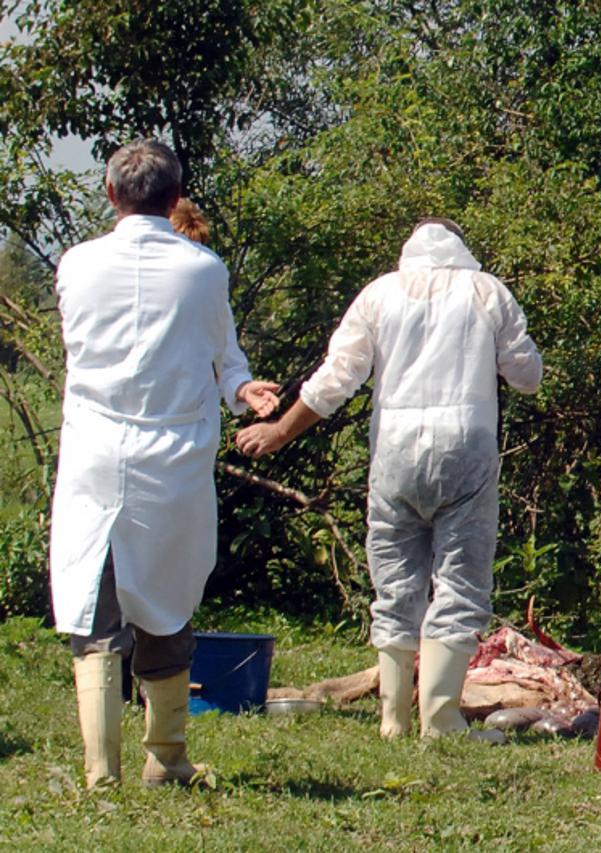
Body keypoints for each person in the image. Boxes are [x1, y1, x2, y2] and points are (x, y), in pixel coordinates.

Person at [235, 218, 542, 743]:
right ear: (460, 248)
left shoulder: (379, 294)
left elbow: (335, 380)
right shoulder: (486, 291)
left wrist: (280, 432)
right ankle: (441, 719)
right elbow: (527, 377)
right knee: (461, 579)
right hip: (465, 446)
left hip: (395, 450)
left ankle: (393, 718)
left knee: (395, 579)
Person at [50, 139, 280, 788]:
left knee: (97, 605)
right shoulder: (203, 269)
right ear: (176, 198)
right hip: (173, 461)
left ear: (111, 194)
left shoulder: (77, 264)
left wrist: (235, 382)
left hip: (97, 453)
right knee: (169, 603)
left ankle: (101, 773)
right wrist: (241, 389)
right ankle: (168, 757)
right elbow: (219, 352)